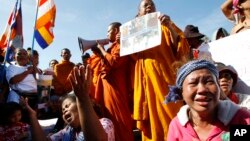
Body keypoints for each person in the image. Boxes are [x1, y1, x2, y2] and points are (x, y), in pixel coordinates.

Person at [132, 0, 190, 140]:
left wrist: (169, 27)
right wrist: (123, 41)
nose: (149, 7)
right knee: (152, 121)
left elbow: (181, 47)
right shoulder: (135, 32)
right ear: (139, 13)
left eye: (152, 5)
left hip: (166, 76)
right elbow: (133, 56)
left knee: (172, 113)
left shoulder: (164, 24)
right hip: (146, 79)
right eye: (145, 5)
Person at [22, 65, 115, 141]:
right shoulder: (67, 132)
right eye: (62, 111)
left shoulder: (105, 123)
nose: (65, 110)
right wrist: (33, 116)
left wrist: (82, 98)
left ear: (79, 105)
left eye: (67, 106)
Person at [165, 59, 250, 140]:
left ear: (218, 88)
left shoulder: (240, 119)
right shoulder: (177, 126)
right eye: (193, 83)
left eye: (209, 81)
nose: (202, 89)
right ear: (181, 93)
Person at [95, 22, 134, 141]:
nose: (107, 34)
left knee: (120, 118)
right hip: (108, 88)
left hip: (117, 87)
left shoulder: (123, 45)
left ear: (116, 30)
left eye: (109, 31)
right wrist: (99, 53)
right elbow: (105, 63)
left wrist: (101, 49)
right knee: (109, 116)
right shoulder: (112, 47)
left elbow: (114, 62)